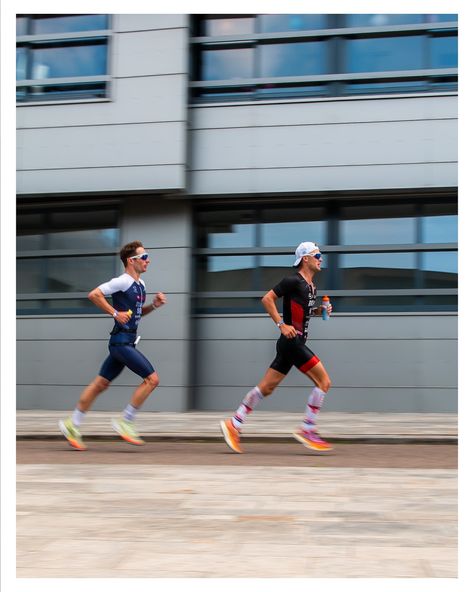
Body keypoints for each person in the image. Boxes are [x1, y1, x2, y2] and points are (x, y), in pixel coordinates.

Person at [220, 241, 333, 454]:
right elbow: (267, 299)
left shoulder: (311, 286)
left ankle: (234, 423)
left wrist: (320, 311)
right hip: (292, 342)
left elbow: (304, 314)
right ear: (305, 259)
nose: (321, 259)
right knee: (324, 381)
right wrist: (281, 324)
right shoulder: (292, 280)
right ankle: (307, 428)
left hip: (291, 345)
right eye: (317, 255)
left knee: (266, 388)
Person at [59, 240, 166, 451]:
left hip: (126, 342)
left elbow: (136, 314)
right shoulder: (122, 281)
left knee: (101, 384)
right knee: (152, 379)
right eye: (144, 257)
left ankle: (73, 424)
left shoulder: (141, 285)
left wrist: (153, 305)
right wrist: (114, 313)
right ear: (131, 261)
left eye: (147, 256)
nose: (148, 260)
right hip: (120, 343)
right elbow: (94, 294)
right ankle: (125, 421)